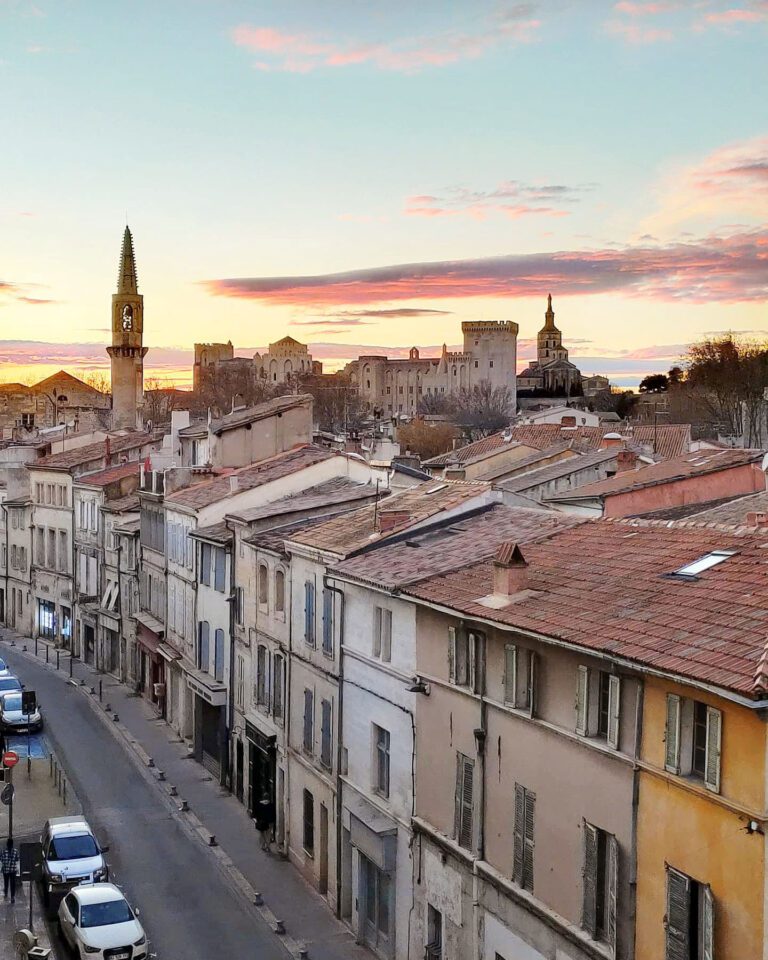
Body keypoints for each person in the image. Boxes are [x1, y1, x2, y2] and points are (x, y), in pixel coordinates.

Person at [1, 838, 19, 903]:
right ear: (12, 844)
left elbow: (2, 860)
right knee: (12, 884)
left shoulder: (3, 851)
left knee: (6, 882)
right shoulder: (15, 851)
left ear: (7, 844)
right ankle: (12, 897)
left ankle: (6, 892)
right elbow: (17, 859)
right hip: (12, 870)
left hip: (5, 870)